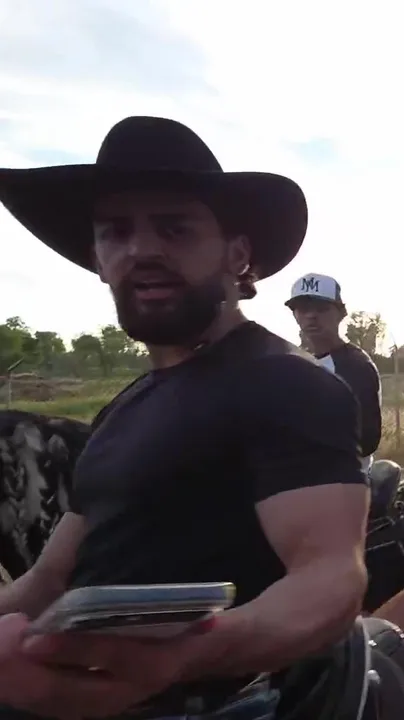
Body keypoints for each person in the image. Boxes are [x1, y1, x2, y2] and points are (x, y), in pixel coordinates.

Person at [0, 116, 369, 718]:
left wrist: (184, 656)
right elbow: (47, 582)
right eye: (117, 231)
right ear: (98, 259)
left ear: (237, 254)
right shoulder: (124, 407)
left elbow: (329, 579)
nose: (142, 249)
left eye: (174, 227)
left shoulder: (285, 381)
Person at [286, 272, 383, 473]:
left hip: (343, 479)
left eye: (322, 308)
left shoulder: (355, 366)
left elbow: (366, 439)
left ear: (341, 314)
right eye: (303, 309)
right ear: (295, 315)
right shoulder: (297, 362)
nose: (311, 316)